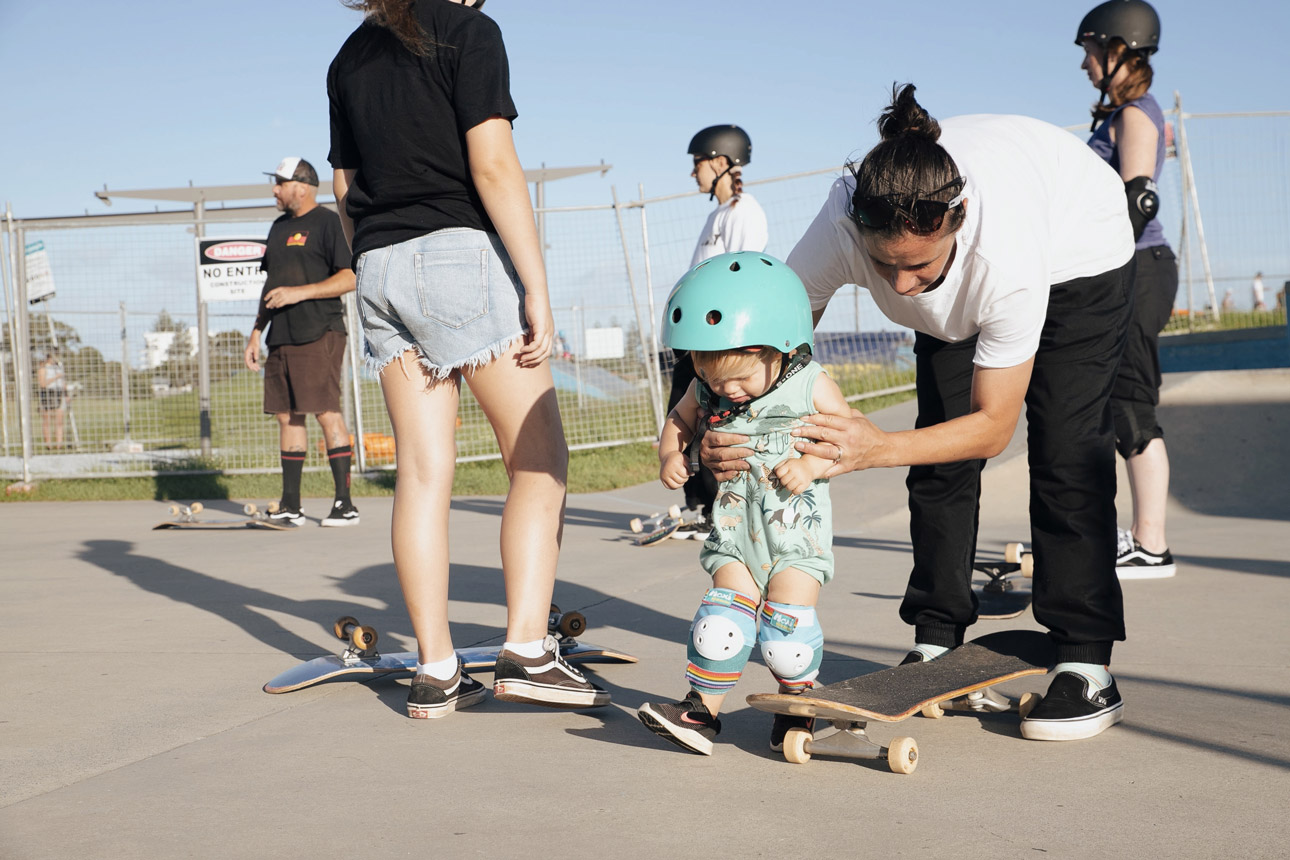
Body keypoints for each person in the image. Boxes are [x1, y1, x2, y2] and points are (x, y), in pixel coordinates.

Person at [705, 84, 1136, 742]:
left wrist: (875, 446)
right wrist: (705, 417)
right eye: (885, 266)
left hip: (1081, 251)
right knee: (934, 461)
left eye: (918, 266)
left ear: (955, 221)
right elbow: (768, 337)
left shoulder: (1005, 258)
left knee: (1065, 450)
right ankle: (936, 636)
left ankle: (1086, 656)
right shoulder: (840, 224)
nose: (902, 287)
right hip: (977, 270)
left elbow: (993, 429)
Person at [327, 0, 608, 718]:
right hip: (458, 254)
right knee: (539, 461)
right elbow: (492, 161)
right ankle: (526, 650)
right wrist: (536, 286)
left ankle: (437, 668)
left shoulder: (350, 56)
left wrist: (378, 254)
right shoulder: (468, 32)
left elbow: (343, 189)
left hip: (378, 266)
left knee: (422, 473)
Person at [637, 251, 852, 756]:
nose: (724, 390)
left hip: (795, 536)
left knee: (786, 635)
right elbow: (678, 420)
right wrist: (672, 452)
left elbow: (848, 438)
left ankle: (797, 706)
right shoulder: (708, 387)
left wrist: (813, 465)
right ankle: (700, 712)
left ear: (778, 346)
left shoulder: (810, 382)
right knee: (719, 624)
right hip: (735, 533)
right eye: (713, 380)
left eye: (737, 380)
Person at [1077, 0, 1178, 579]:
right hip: (1136, 266)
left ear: (1120, 51)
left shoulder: (1136, 113)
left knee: (1131, 403)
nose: (1086, 64)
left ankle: (1151, 544)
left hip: (1136, 267)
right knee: (1121, 401)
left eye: (1091, 52)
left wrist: (1099, 271)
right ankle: (1143, 537)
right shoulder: (1125, 112)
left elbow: (1137, 200)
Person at [243, 157, 360, 528]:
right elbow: (270, 285)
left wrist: (299, 294)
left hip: (320, 331)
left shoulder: (329, 223)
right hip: (281, 336)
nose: (275, 191)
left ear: (303, 185)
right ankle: (291, 506)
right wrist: (256, 331)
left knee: (326, 411)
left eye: (280, 183)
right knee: (286, 415)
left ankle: (345, 505)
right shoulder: (278, 228)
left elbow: (350, 277)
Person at [666, 125, 770, 539]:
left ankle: (718, 506)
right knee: (682, 415)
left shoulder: (747, 212)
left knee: (713, 422)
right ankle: (697, 504)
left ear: (721, 162)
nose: (694, 173)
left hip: (718, 345)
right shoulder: (718, 215)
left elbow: (742, 276)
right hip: (694, 342)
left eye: (698, 163)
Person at [37, 349, 67, 449]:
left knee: (59, 420)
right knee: (47, 420)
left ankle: (59, 444)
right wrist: (56, 377)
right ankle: (48, 445)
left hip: (58, 393)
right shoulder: (43, 368)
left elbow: (63, 382)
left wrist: (66, 393)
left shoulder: (59, 367)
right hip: (47, 394)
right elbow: (42, 383)